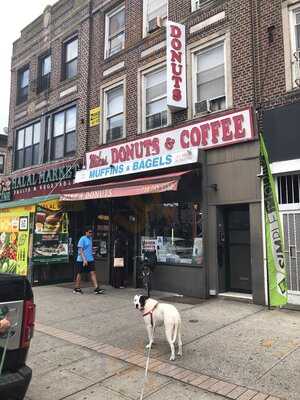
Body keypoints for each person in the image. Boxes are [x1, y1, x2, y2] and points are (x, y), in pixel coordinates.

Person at [73, 228, 104, 294]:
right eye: (89, 232)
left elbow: (88, 249)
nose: (91, 234)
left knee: (93, 273)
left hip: (90, 259)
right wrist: (84, 260)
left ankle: (96, 288)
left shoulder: (90, 239)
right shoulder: (82, 239)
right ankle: (76, 288)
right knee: (79, 273)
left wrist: (93, 250)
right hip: (81, 260)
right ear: (86, 232)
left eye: (91, 232)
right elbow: (80, 250)